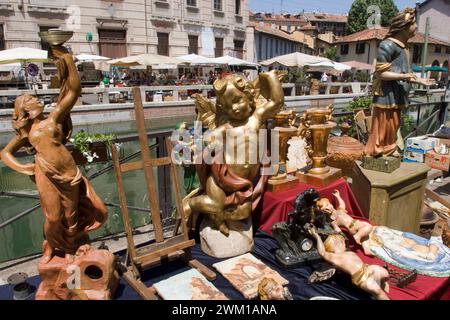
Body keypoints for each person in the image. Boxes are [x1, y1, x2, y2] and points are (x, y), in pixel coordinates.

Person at [0, 46, 108, 264]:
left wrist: (68, 60)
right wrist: (25, 168)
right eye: (32, 99)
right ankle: (49, 246)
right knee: (53, 217)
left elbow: (73, 92)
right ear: (25, 109)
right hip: (46, 173)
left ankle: (69, 248)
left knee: (72, 215)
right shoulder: (27, 133)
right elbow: (5, 153)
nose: (37, 100)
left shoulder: (54, 118)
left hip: (69, 172)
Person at [365, 7, 435, 157]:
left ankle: (389, 148)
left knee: (394, 124)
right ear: (404, 26)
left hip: (397, 94)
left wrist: (420, 80)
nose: (416, 27)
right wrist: (405, 77)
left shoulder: (404, 47)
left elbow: (404, 71)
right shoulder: (388, 45)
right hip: (386, 95)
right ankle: (378, 150)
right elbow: (381, 73)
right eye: (414, 23)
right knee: (384, 123)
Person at [308, 226, 390, 300]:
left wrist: (336, 228)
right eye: (343, 242)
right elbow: (322, 253)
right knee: (379, 292)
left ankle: (381, 283)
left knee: (385, 274)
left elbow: (340, 232)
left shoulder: (347, 252)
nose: (345, 244)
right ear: (337, 243)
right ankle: (377, 294)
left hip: (368, 268)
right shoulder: (335, 258)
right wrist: (317, 236)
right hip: (361, 277)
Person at [316, 190, 374, 256]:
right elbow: (337, 229)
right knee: (369, 227)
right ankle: (357, 236)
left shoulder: (339, 210)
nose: (329, 208)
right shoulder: (332, 221)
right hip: (352, 227)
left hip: (355, 223)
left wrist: (338, 197)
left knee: (365, 235)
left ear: (330, 204)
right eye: (325, 209)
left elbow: (342, 204)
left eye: (328, 205)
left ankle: (366, 250)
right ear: (323, 212)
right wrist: (341, 236)